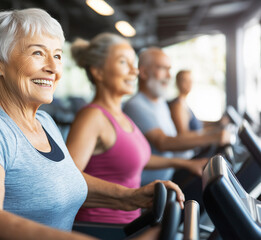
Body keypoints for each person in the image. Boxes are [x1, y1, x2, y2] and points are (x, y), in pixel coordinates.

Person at [0, 8, 184, 240]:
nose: (53, 68)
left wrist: (129, 197)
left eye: (58, 55)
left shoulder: (44, 122)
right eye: (38, 53)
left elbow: (65, 180)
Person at [66, 33, 206, 225]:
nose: (135, 71)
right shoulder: (92, 117)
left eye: (134, 63)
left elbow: (140, 157)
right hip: (102, 228)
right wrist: (130, 195)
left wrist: (185, 164)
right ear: (98, 72)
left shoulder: (121, 116)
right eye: (124, 62)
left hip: (131, 223)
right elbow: (66, 178)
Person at [123, 47, 230, 185]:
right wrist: (212, 138)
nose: (169, 76)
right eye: (163, 68)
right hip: (155, 185)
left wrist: (213, 130)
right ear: (143, 72)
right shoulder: (136, 105)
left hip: (171, 175)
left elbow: (178, 136)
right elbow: (164, 142)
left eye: (169, 69)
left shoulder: (160, 102)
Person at [169, 70, 225, 135]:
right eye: (185, 81)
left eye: (190, 81)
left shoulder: (184, 103)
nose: (189, 84)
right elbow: (184, 136)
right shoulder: (178, 106)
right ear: (177, 83)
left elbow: (198, 124)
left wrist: (216, 123)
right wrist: (212, 133)